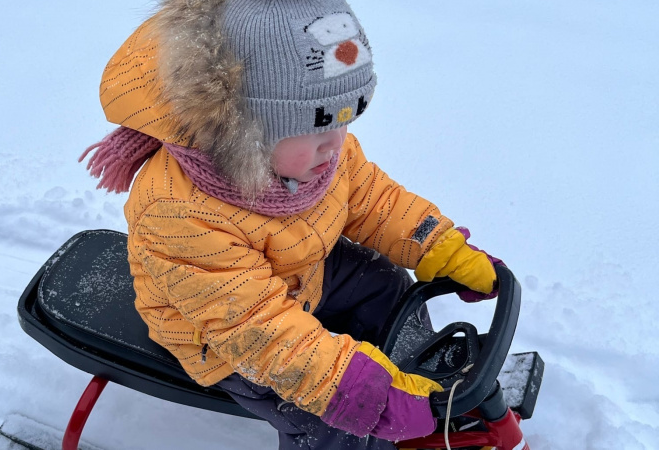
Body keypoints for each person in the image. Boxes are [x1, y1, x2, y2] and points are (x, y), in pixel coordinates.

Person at [80, 1, 500, 448]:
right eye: (318, 128)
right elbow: (258, 330)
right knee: (329, 418)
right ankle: (372, 410)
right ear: (245, 131)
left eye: (345, 120)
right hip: (220, 335)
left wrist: (438, 247)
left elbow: (374, 199)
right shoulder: (180, 213)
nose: (336, 145)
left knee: (382, 281)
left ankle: (416, 380)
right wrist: (353, 394)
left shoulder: (315, 157)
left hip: (299, 277)